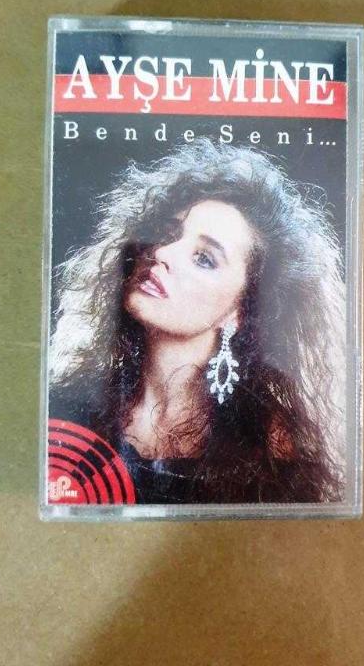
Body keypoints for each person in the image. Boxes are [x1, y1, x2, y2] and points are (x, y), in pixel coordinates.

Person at [49, 139, 345, 504]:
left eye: (205, 258)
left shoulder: (268, 445)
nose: (161, 252)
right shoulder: (68, 409)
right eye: (168, 234)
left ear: (241, 311)